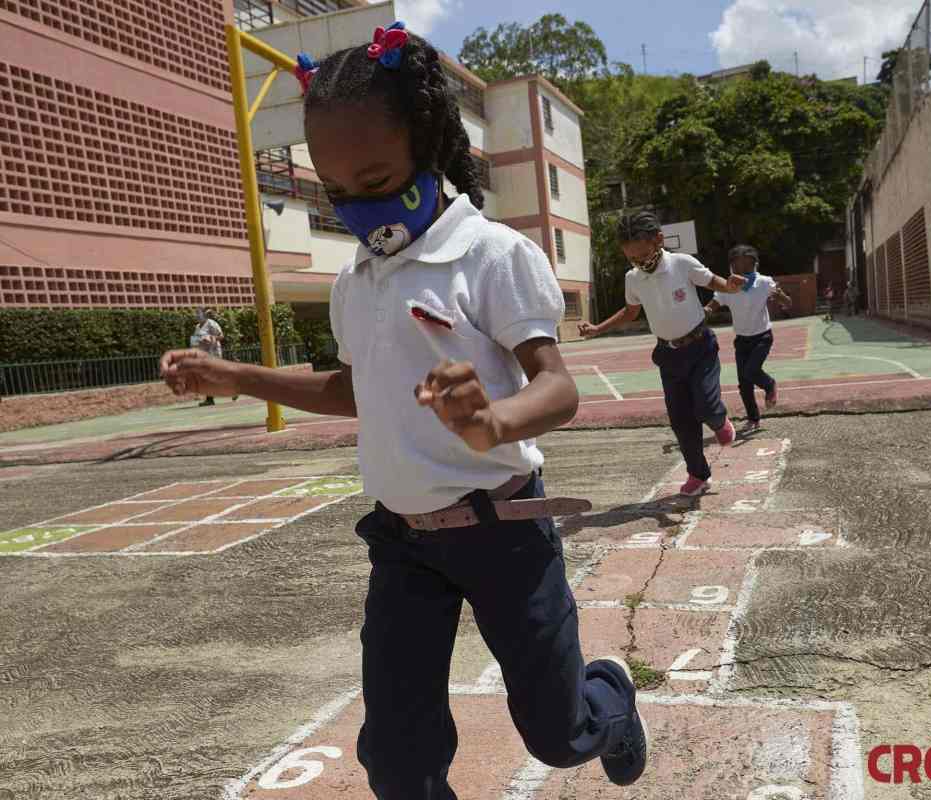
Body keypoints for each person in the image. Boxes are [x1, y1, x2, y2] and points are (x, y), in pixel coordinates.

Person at [160, 22, 648, 799]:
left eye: (378, 180)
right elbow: (350, 392)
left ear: (428, 150)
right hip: (402, 541)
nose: (357, 207)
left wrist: (491, 422)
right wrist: (236, 374)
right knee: (397, 762)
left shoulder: (491, 254)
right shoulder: (358, 281)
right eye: (337, 192)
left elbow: (557, 387)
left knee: (560, 737)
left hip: (504, 532)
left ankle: (611, 705)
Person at [579, 211, 744, 496]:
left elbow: (710, 280)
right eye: (633, 258)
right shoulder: (634, 279)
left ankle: (719, 420)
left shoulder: (681, 263)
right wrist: (597, 329)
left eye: (644, 254)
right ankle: (698, 474)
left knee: (704, 405)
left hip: (700, 347)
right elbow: (630, 312)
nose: (641, 262)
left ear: (658, 240)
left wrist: (728, 286)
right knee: (680, 420)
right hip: (668, 355)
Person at [704, 245, 791, 433]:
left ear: (755, 264)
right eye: (737, 265)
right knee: (744, 384)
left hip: (762, 337)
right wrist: (706, 311)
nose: (742, 269)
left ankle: (770, 384)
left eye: (747, 265)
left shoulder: (764, 283)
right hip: (742, 340)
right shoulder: (727, 288)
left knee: (751, 370)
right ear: (731, 267)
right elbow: (714, 304)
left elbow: (788, 302)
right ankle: (753, 418)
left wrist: (781, 296)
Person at [189, 308, 233, 406]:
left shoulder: (211, 324)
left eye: (198, 313)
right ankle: (210, 399)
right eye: (195, 313)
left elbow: (221, 336)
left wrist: (210, 338)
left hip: (214, 353)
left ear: (204, 314)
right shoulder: (197, 327)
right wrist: (196, 342)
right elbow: (197, 339)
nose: (196, 315)